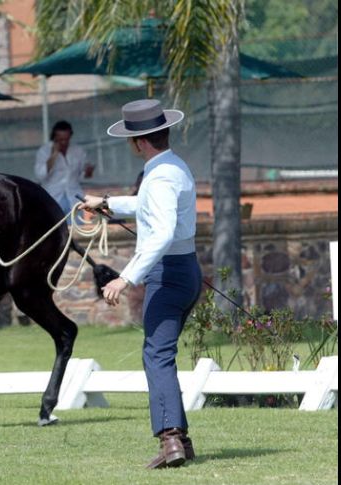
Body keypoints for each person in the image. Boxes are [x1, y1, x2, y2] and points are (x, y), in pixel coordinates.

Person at [79, 99, 202, 469]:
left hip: (169, 274)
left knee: (156, 354)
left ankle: (170, 439)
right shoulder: (172, 166)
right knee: (160, 353)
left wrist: (125, 277)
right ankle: (180, 440)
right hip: (186, 270)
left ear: (139, 142)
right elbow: (147, 205)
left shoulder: (160, 176)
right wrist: (106, 203)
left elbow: (161, 232)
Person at [34, 120, 95, 220]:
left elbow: (83, 175)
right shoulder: (44, 151)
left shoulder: (78, 151)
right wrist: (54, 155)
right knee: (56, 226)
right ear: (54, 137)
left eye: (66, 139)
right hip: (53, 197)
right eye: (60, 139)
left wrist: (88, 172)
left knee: (76, 227)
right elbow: (40, 175)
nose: (64, 142)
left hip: (74, 196)